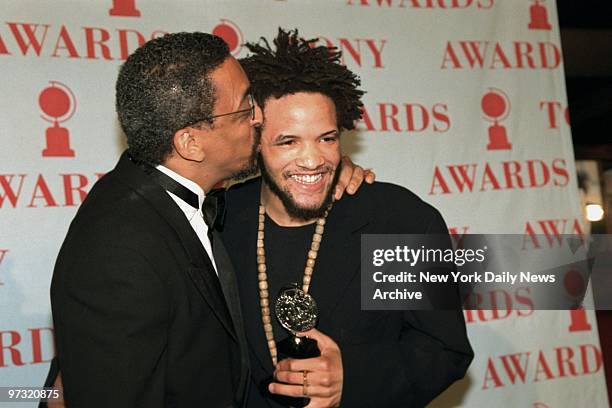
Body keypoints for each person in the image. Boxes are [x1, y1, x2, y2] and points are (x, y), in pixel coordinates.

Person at [47, 32, 371, 408]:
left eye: (327, 139)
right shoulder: (120, 248)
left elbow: (450, 351)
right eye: (246, 105)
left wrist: (355, 379)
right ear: (190, 143)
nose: (259, 115)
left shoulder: (401, 214)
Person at [219, 28, 474, 407]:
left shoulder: (394, 221)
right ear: (255, 143)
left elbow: (442, 349)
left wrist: (352, 379)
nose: (313, 159)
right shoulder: (223, 218)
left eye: (326, 138)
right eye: (289, 141)